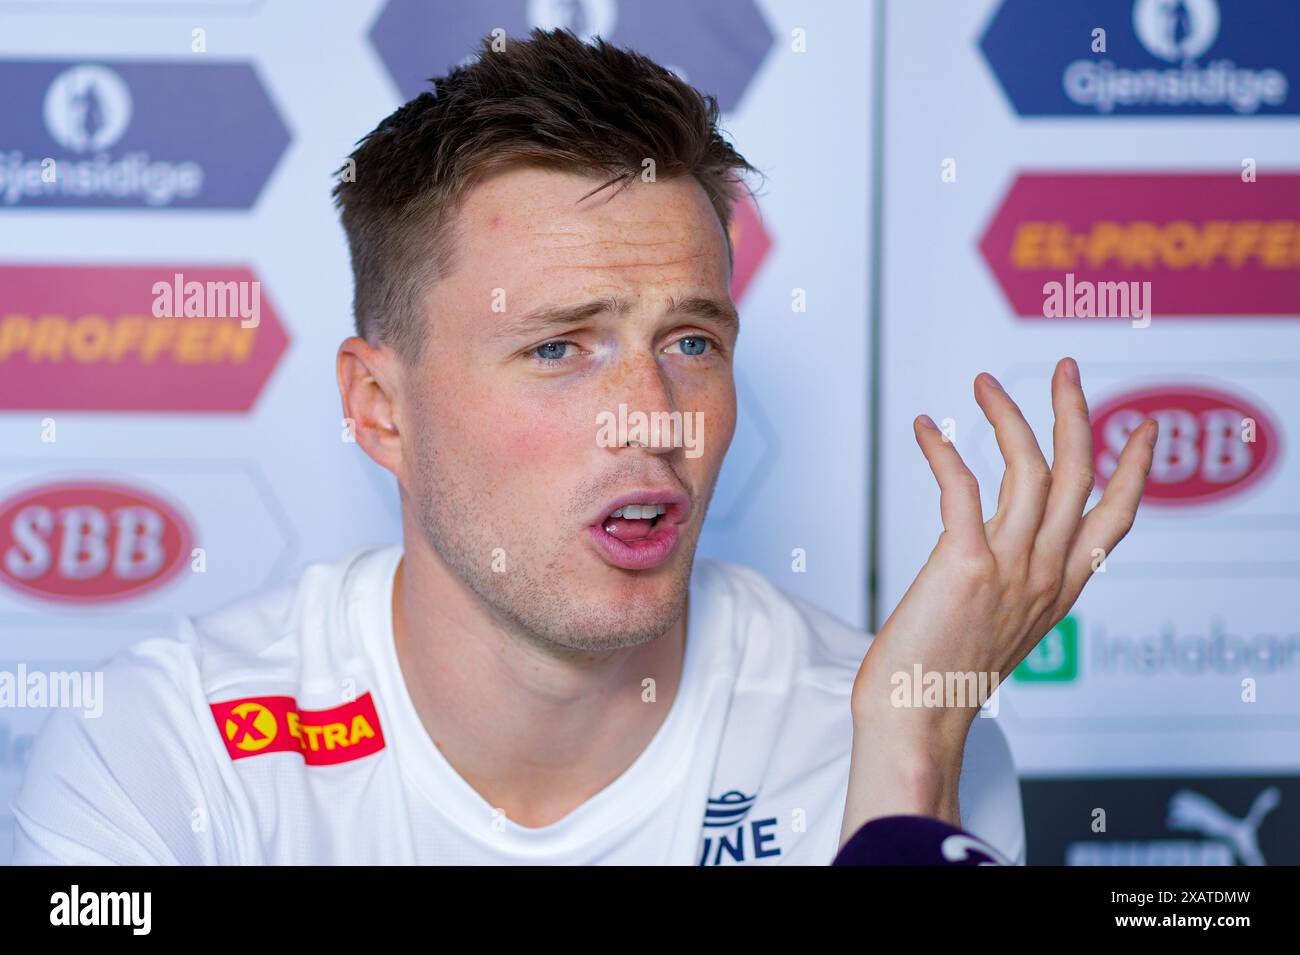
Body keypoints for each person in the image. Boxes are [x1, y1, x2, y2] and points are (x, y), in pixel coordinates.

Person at [11, 28, 1154, 865]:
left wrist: (908, 751)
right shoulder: (163, 755)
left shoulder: (897, 726)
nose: (653, 415)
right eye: (562, 349)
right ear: (377, 409)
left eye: (692, 340)